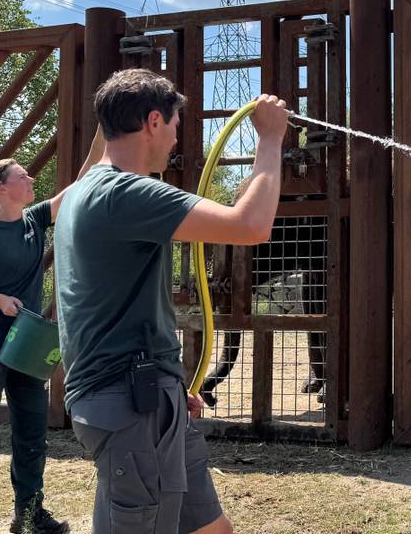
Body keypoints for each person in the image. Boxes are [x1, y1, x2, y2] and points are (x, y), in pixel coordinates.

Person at [55, 68, 288, 534]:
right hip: (130, 405)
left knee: (210, 528)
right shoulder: (129, 193)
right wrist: (270, 140)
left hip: (146, 396)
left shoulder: (80, 193)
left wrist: (168, 387)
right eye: (177, 124)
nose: (177, 138)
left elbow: (232, 218)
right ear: (154, 122)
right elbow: (252, 227)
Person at [0, 130, 107, 534]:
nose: (31, 181)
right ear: (0, 188)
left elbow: (83, 180)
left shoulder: (35, 220)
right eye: (24, 176)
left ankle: (28, 518)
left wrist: (103, 131)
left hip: (27, 340)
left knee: (32, 432)